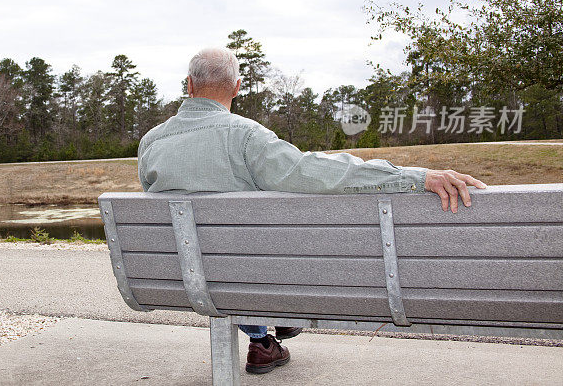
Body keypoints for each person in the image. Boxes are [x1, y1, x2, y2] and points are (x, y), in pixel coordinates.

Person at [137, 47, 486, 375]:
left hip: (185, 277)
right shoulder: (245, 136)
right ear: (238, 87)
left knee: (219, 254)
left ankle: (265, 334)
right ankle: (279, 317)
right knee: (254, 245)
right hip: (257, 276)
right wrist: (415, 176)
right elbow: (318, 173)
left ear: (190, 85)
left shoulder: (151, 142)